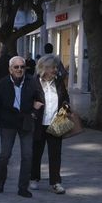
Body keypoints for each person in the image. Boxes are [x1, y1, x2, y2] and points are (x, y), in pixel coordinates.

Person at [0, 55, 43, 198]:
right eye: (16, 67)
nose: (19, 69)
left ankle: (23, 187)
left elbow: (40, 99)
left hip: (26, 121)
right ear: (10, 69)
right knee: (5, 155)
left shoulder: (32, 82)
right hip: (8, 123)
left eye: (22, 67)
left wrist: (35, 112)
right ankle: (0, 183)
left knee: (28, 155)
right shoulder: (2, 84)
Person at [30, 55, 68, 195]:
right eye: (53, 67)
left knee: (55, 154)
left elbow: (65, 98)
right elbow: (26, 100)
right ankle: (33, 178)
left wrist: (64, 110)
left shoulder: (58, 82)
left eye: (55, 67)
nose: (55, 70)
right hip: (39, 123)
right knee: (36, 153)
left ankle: (56, 182)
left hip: (56, 122)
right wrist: (33, 105)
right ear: (44, 68)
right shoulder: (33, 82)